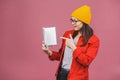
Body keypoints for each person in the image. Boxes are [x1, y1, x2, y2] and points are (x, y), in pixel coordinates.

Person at [42, 5, 100, 80]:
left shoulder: (93, 40)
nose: (72, 23)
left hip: (77, 77)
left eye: (75, 21)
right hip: (61, 74)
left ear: (84, 22)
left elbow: (86, 61)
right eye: (72, 20)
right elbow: (62, 56)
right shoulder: (67, 34)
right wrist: (49, 52)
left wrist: (73, 47)